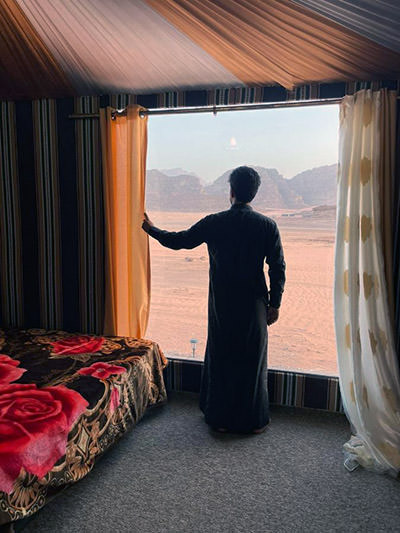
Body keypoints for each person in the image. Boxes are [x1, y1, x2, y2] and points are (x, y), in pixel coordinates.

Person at [142, 166, 286, 434]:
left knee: (223, 358)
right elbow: (277, 268)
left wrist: (151, 230)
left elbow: (180, 241)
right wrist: (275, 304)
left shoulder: (215, 222)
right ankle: (253, 422)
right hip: (255, 304)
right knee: (251, 361)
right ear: (253, 193)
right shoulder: (267, 226)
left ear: (230, 191)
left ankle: (219, 420)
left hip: (223, 304)